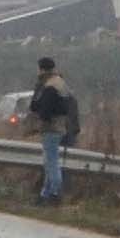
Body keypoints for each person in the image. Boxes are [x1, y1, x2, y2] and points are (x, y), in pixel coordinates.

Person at [25, 57, 80, 202]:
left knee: (51, 161)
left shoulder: (49, 86)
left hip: (51, 128)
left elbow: (40, 108)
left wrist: (39, 121)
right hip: (62, 126)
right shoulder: (61, 83)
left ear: (41, 69)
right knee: (50, 161)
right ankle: (46, 193)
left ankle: (54, 192)